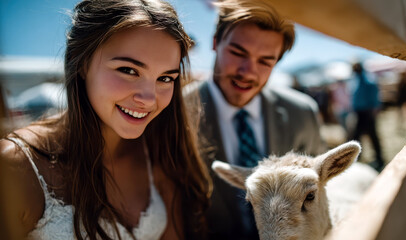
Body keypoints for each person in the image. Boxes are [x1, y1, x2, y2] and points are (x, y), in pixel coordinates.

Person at [0, 0, 212, 239]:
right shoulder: (15, 167)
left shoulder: (159, 151)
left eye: (165, 78)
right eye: (129, 70)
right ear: (81, 63)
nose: (149, 99)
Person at [186, 0, 323, 239]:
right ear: (215, 43)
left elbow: (319, 195)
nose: (248, 71)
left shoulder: (302, 113)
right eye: (238, 53)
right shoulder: (175, 111)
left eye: (265, 62)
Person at [350, 61, 385, 172]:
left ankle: (379, 160)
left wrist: (375, 109)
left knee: (370, 135)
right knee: (358, 136)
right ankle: (357, 159)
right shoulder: (356, 80)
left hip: (367, 112)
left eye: (355, 67)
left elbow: (375, 97)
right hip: (360, 112)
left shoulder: (368, 80)